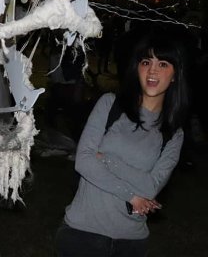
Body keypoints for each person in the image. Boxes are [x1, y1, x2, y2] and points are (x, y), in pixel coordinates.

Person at [55, 26, 190, 257]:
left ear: (175, 74)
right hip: (82, 234)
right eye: (146, 62)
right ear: (136, 67)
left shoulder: (173, 134)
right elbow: (84, 162)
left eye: (163, 64)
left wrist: (107, 160)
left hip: (130, 243)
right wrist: (131, 196)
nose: (152, 71)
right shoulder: (110, 106)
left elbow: (150, 187)